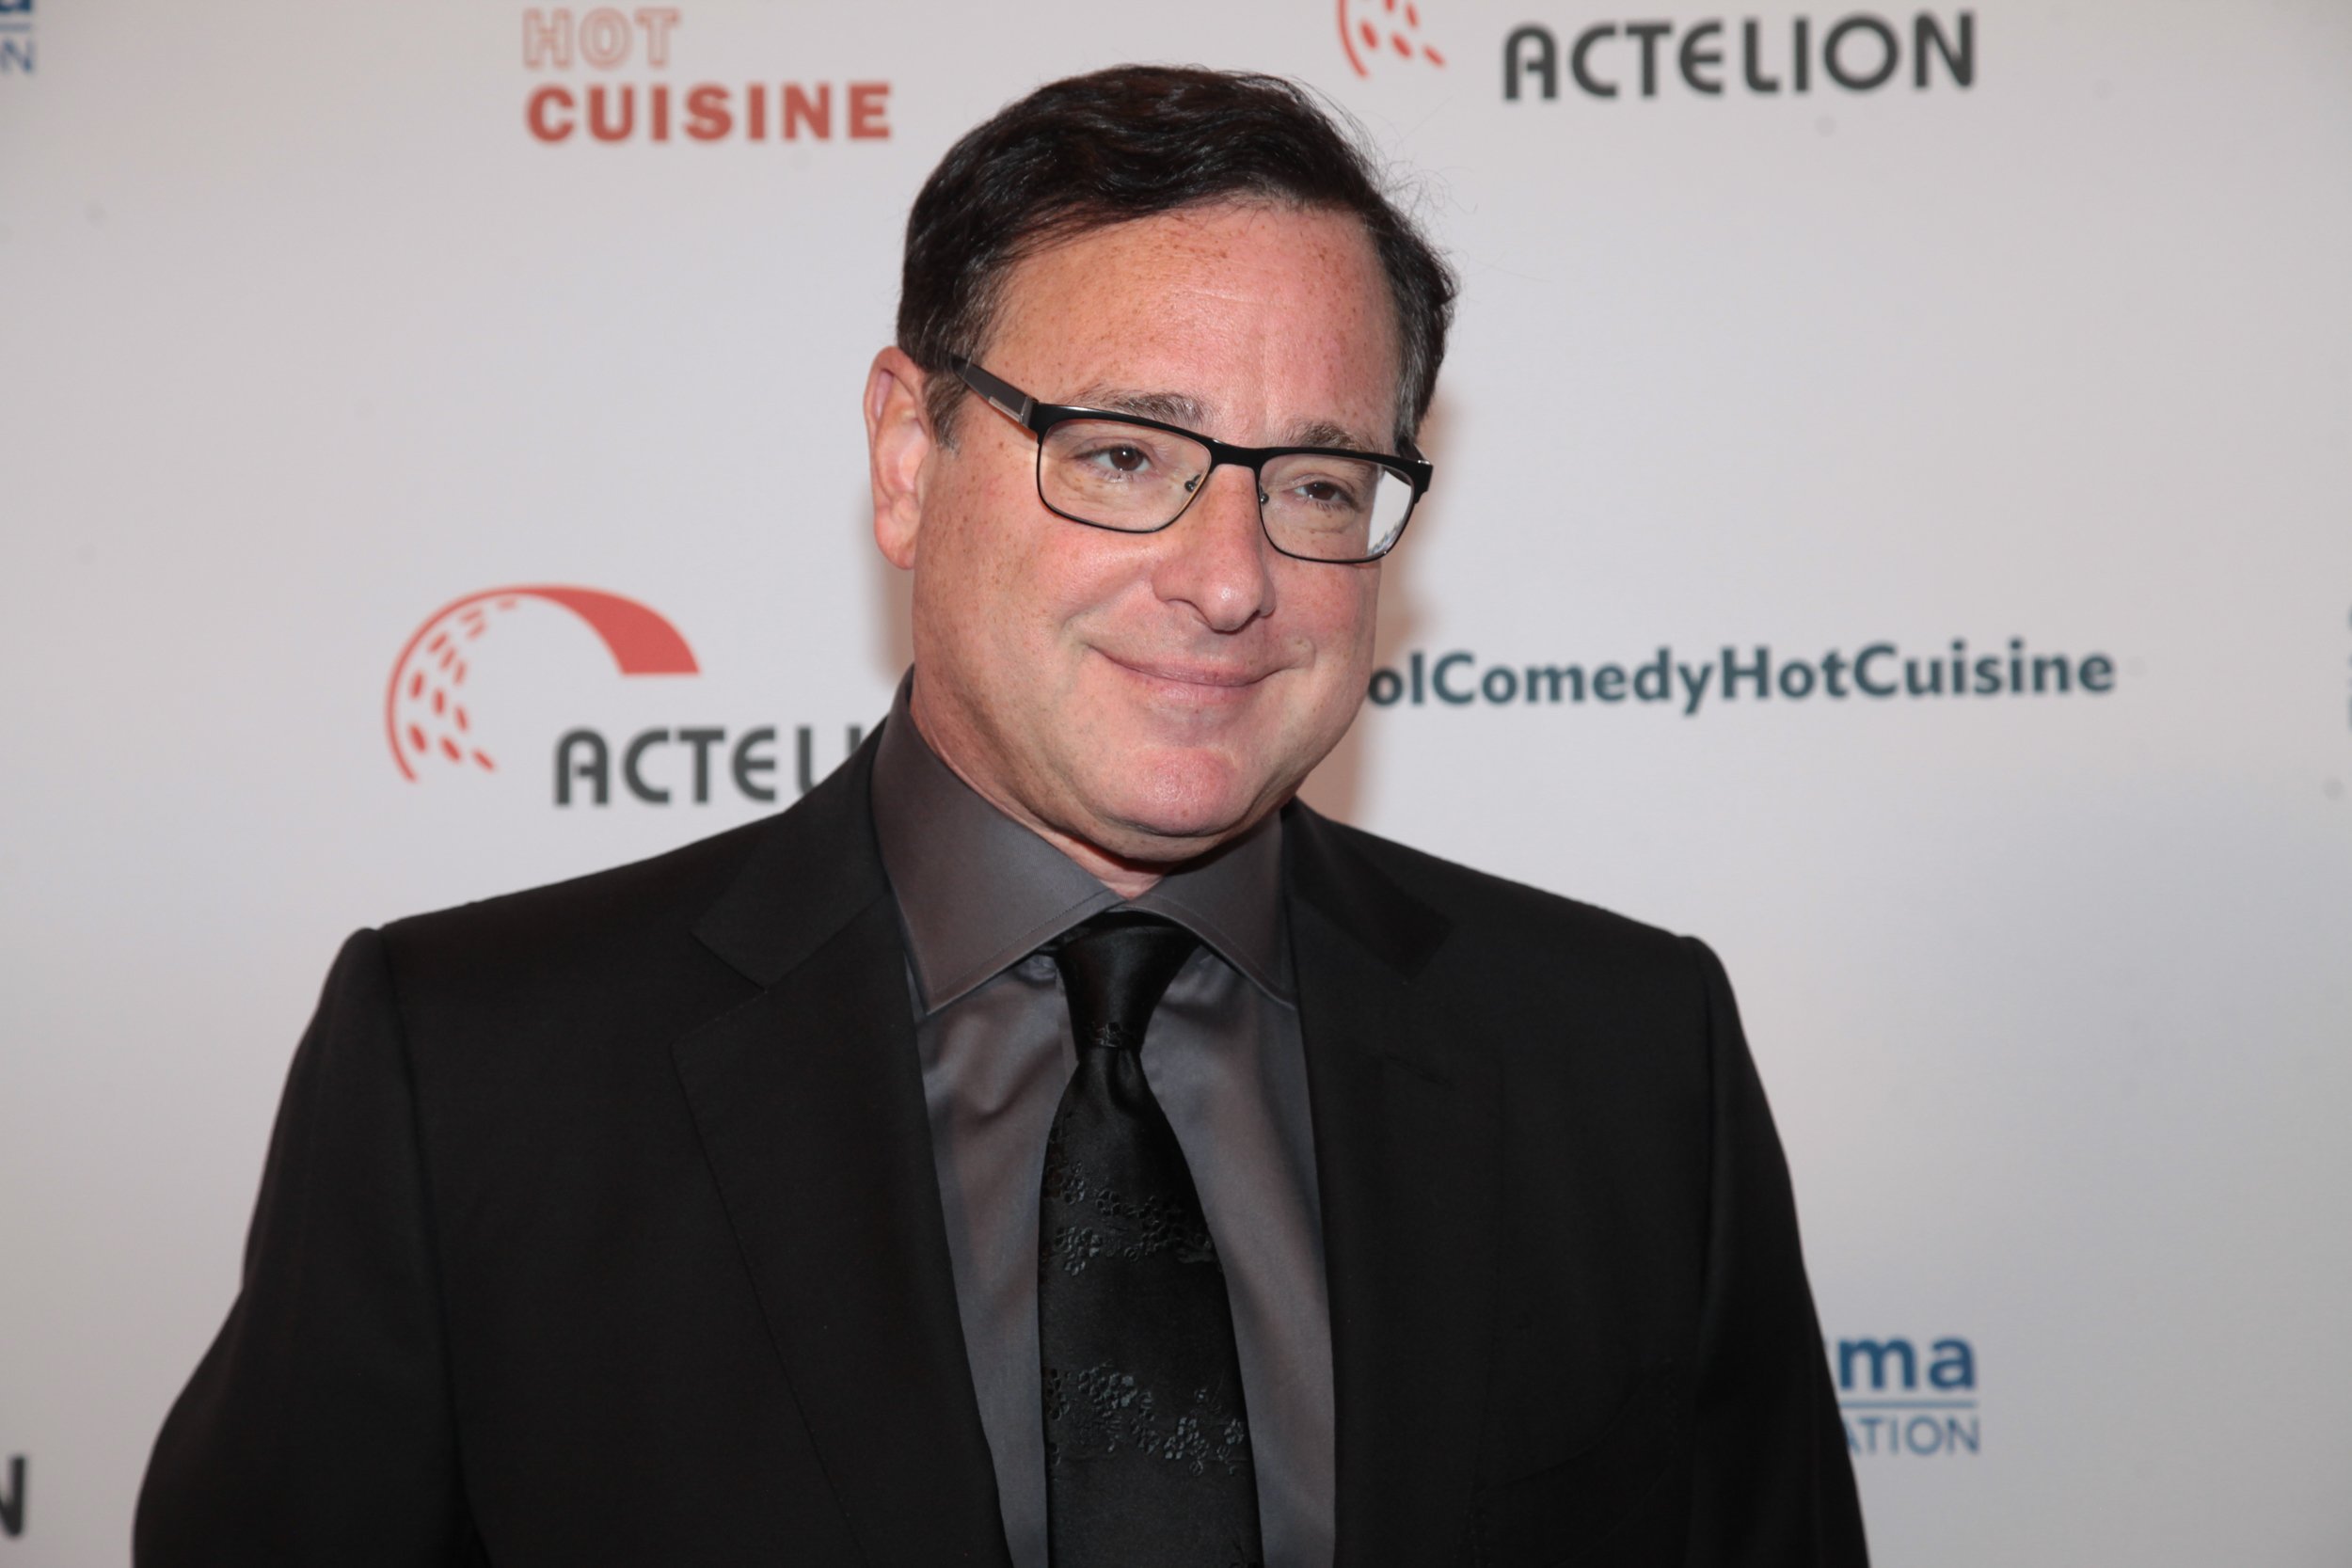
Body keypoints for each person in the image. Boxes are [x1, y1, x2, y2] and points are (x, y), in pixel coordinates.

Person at [136, 65, 1867, 1567]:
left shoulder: (1631, 1064)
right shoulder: (478, 1078)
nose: (1230, 579)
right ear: (909, 454)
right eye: (1124, 454)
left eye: (1320, 483)